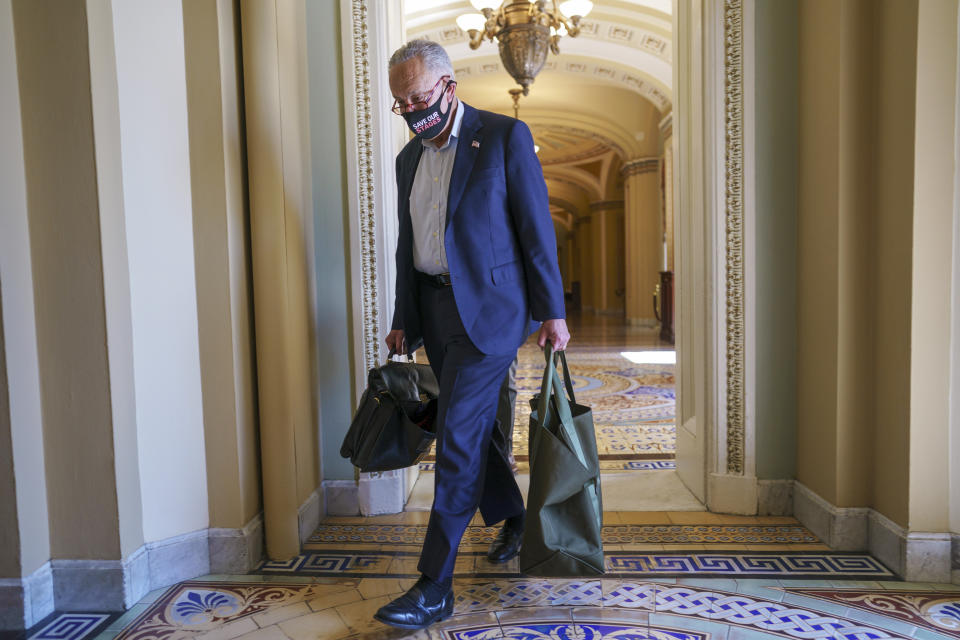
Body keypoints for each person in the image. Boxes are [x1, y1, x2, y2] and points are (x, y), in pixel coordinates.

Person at [375, 39, 569, 630]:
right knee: (475, 424)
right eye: (400, 102)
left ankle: (435, 584)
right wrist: (403, 316)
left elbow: (535, 231)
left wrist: (552, 312)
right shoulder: (410, 158)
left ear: (448, 86)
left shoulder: (502, 139)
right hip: (434, 312)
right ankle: (510, 512)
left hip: (489, 314)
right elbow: (411, 244)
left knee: (457, 438)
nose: (411, 109)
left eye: (418, 96)